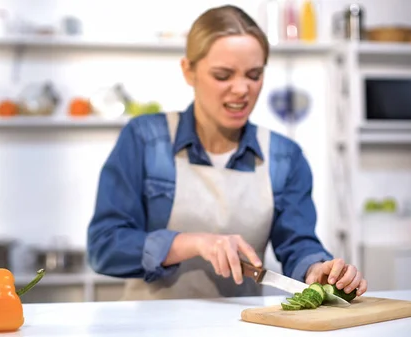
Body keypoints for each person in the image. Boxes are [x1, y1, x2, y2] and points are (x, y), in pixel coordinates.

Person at [86, 4, 368, 301]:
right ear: (188, 71)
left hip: (240, 324)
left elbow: (297, 243)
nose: (241, 89)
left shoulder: (285, 158)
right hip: (151, 326)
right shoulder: (145, 139)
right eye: (223, 75)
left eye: (254, 74)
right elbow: (104, 247)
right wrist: (192, 243)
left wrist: (317, 269)